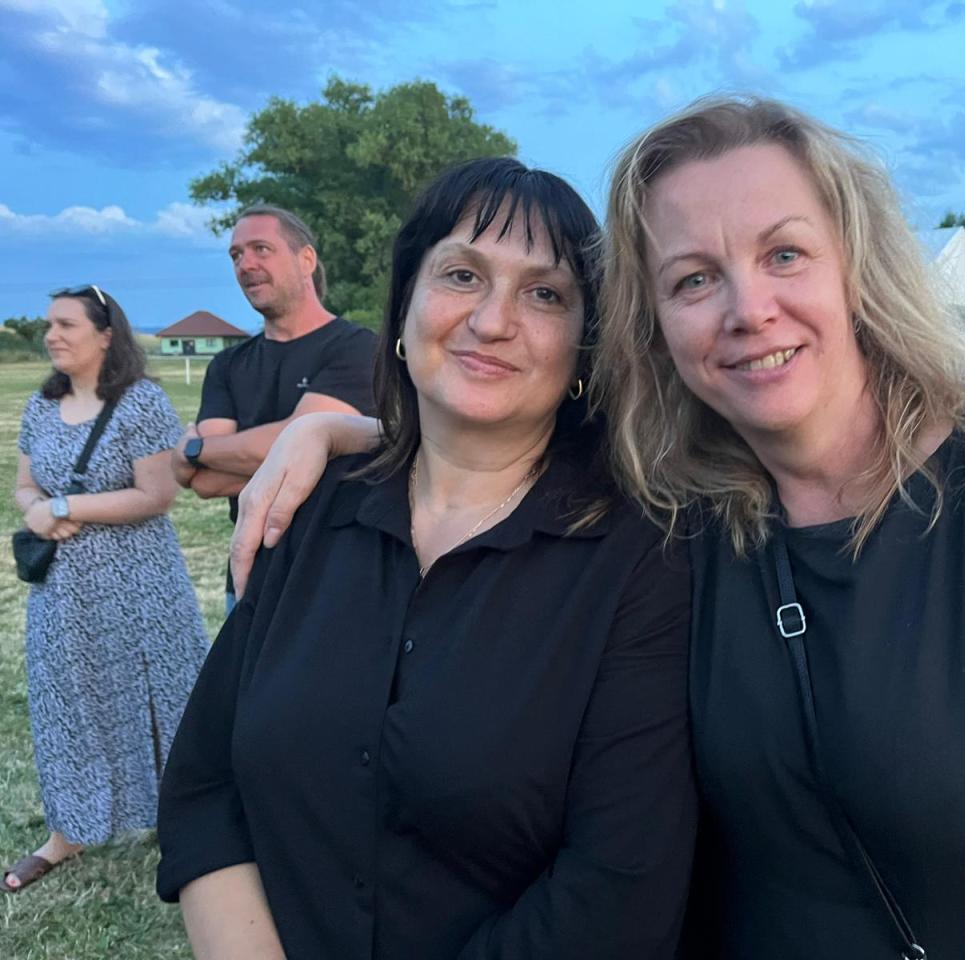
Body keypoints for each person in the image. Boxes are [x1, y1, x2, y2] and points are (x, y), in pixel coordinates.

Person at [228, 98, 965, 957]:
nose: (747, 309)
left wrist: (330, 429)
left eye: (784, 255)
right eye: (692, 279)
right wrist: (342, 433)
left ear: (857, 265)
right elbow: (489, 430)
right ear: (651, 324)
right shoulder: (675, 503)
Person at [155, 159, 697, 959]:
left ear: (585, 349)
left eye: (545, 294)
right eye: (461, 274)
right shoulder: (308, 508)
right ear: (403, 310)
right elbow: (204, 788)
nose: (493, 319)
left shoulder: (642, 557)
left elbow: (621, 887)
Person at [6, 286, 208, 893]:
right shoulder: (41, 406)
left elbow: (157, 495)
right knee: (66, 702)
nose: (52, 335)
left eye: (66, 324)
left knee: (163, 697)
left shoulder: (141, 401)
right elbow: (24, 485)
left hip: (141, 587)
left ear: (106, 334)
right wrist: (35, 508)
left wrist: (66, 506)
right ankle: (67, 833)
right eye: (49, 325)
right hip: (63, 595)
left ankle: (187, 820)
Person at [171, 205, 377, 613]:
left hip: (335, 578)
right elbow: (206, 482)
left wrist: (192, 450)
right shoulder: (227, 365)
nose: (245, 264)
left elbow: (305, 442)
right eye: (236, 255)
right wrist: (221, 461)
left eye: (261, 249)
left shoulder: (356, 349)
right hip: (248, 579)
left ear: (306, 259)